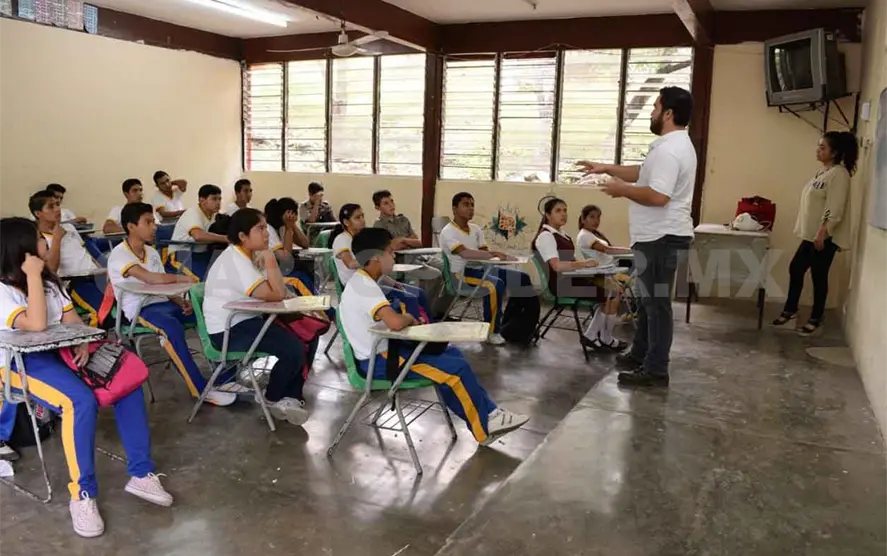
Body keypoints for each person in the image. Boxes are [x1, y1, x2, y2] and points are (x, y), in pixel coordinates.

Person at [0, 217, 173, 538]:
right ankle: (82, 494)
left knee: (127, 384)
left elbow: (72, 320)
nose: (45, 242)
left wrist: (82, 339)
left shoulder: (50, 284)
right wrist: (33, 275)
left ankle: (141, 474)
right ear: (21, 249)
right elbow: (36, 324)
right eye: (38, 238)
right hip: (21, 365)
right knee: (79, 402)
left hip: (64, 354)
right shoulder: (4, 291)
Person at [340, 227, 529, 445]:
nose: (394, 256)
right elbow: (395, 323)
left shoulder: (364, 282)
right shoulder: (364, 286)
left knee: (452, 354)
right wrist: (409, 317)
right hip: (380, 362)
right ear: (375, 257)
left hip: (388, 353)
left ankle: (491, 415)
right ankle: (485, 426)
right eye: (390, 252)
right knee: (454, 369)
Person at [580, 85, 696, 387]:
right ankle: (640, 353)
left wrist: (622, 191)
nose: (651, 112)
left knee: (656, 304)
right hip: (656, 236)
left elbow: (659, 196)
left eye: (656, 107)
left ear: (668, 113)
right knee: (647, 302)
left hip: (662, 237)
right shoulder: (670, 145)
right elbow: (643, 172)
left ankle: (656, 369)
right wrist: (606, 168)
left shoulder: (670, 150)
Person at [107, 203, 236, 407]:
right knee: (171, 328)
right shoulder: (119, 254)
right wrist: (184, 279)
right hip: (141, 310)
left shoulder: (152, 252)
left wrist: (181, 301)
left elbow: (162, 286)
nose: (154, 227)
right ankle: (201, 389)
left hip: (164, 303)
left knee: (206, 315)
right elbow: (151, 279)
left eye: (154, 222)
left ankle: (224, 377)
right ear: (131, 227)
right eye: (148, 222)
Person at [203, 209, 317, 426]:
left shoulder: (247, 255)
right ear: (243, 236)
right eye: (260, 228)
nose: (266, 233)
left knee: (309, 333)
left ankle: (291, 396)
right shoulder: (235, 260)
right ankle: (272, 397)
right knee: (293, 348)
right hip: (229, 330)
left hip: (248, 319)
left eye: (266, 227)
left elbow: (277, 289)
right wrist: (270, 257)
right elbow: (277, 294)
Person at [772, 131, 856, 336]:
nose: (818, 150)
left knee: (818, 276)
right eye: (818, 146)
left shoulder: (839, 174)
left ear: (834, 152)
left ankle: (816, 317)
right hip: (811, 235)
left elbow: (835, 207)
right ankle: (791, 310)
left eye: (822, 147)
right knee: (796, 268)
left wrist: (823, 231)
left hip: (824, 237)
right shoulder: (823, 173)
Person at [532, 198, 629, 352]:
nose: (563, 214)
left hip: (573, 279)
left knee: (614, 290)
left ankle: (600, 337)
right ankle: (598, 337)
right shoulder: (546, 236)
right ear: (548, 215)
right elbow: (557, 266)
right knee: (611, 294)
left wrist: (589, 266)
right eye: (558, 211)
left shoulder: (562, 234)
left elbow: (571, 261)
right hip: (562, 285)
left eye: (565, 210)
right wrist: (584, 264)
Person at [439, 192, 533, 346]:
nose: (471, 208)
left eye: (472, 205)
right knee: (495, 285)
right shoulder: (448, 231)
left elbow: (484, 253)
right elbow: (465, 253)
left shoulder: (475, 229)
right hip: (460, 275)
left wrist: (504, 258)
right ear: (454, 209)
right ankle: (492, 331)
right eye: (466, 204)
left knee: (521, 277)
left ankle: (518, 326)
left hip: (480, 270)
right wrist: (494, 254)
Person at [330, 204, 432, 321]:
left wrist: (393, 282)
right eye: (357, 218)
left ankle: (430, 325)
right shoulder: (342, 240)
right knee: (410, 298)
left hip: (376, 281)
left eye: (362, 216)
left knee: (420, 293)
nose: (362, 220)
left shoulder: (363, 238)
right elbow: (350, 264)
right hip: (360, 286)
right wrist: (371, 256)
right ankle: (413, 329)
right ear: (346, 222)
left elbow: (376, 269)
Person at [29, 191, 105, 327]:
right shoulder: (39, 239)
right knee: (104, 309)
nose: (57, 209)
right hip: (73, 283)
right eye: (51, 207)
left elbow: (85, 254)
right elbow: (51, 269)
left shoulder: (69, 228)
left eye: (58, 205)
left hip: (96, 276)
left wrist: (102, 270)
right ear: (38, 213)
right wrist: (57, 238)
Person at [372, 189, 446, 314]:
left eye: (392, 201)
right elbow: (391, 246)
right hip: (403, 260)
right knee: (435, 275)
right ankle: (427, 310)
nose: (391, 205)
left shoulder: (403, 220)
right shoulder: (379, 226)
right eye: (386, 203)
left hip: (419, 255)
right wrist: (407, 241)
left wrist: (402, 240)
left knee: (448, 269)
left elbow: (418, 242)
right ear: (377, 207)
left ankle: (439, 309)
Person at [576, 204, 634, 346]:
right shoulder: (585, 236)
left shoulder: (593, 234)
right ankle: (602, 338)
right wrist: (630, 250)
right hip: (599, 275)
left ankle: (597, 336)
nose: (596, 221)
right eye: (592, 217)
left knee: (611, 301)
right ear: (583, 219)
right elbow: (608, 250)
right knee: (612, 298)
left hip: (607, 272)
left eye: (598, 217)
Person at [166, 184, 228, 280]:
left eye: (220, 199)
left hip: (202, 254)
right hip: (181, 255)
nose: (218, 202)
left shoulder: (214, 215)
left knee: (221, 275)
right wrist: (226, 238)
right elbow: (198, 236)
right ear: (202, 200)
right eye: (214, 199)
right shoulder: (193, 212)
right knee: (204, 279)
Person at [264, 197, 315, 294]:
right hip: (271, 273)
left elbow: (305, 243)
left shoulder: (283, 227)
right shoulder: (269, 230)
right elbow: (286, 258)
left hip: (281, 269)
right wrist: (288, 227)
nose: (293, 216)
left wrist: (292, 225)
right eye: (291, 213)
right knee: (300, 278)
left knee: (307, 272)